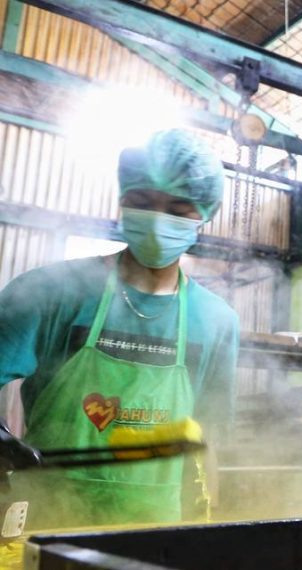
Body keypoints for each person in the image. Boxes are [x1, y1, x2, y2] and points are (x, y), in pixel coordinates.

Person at [0, 129, 239, 527]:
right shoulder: (50, 292)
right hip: (47, 520)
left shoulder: (216, 321)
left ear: (204, 218)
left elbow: (209, 440)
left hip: (154, 530)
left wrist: (206, 523)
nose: (159, 221)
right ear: (123, 202)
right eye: (142, 202)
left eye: (178, 210)